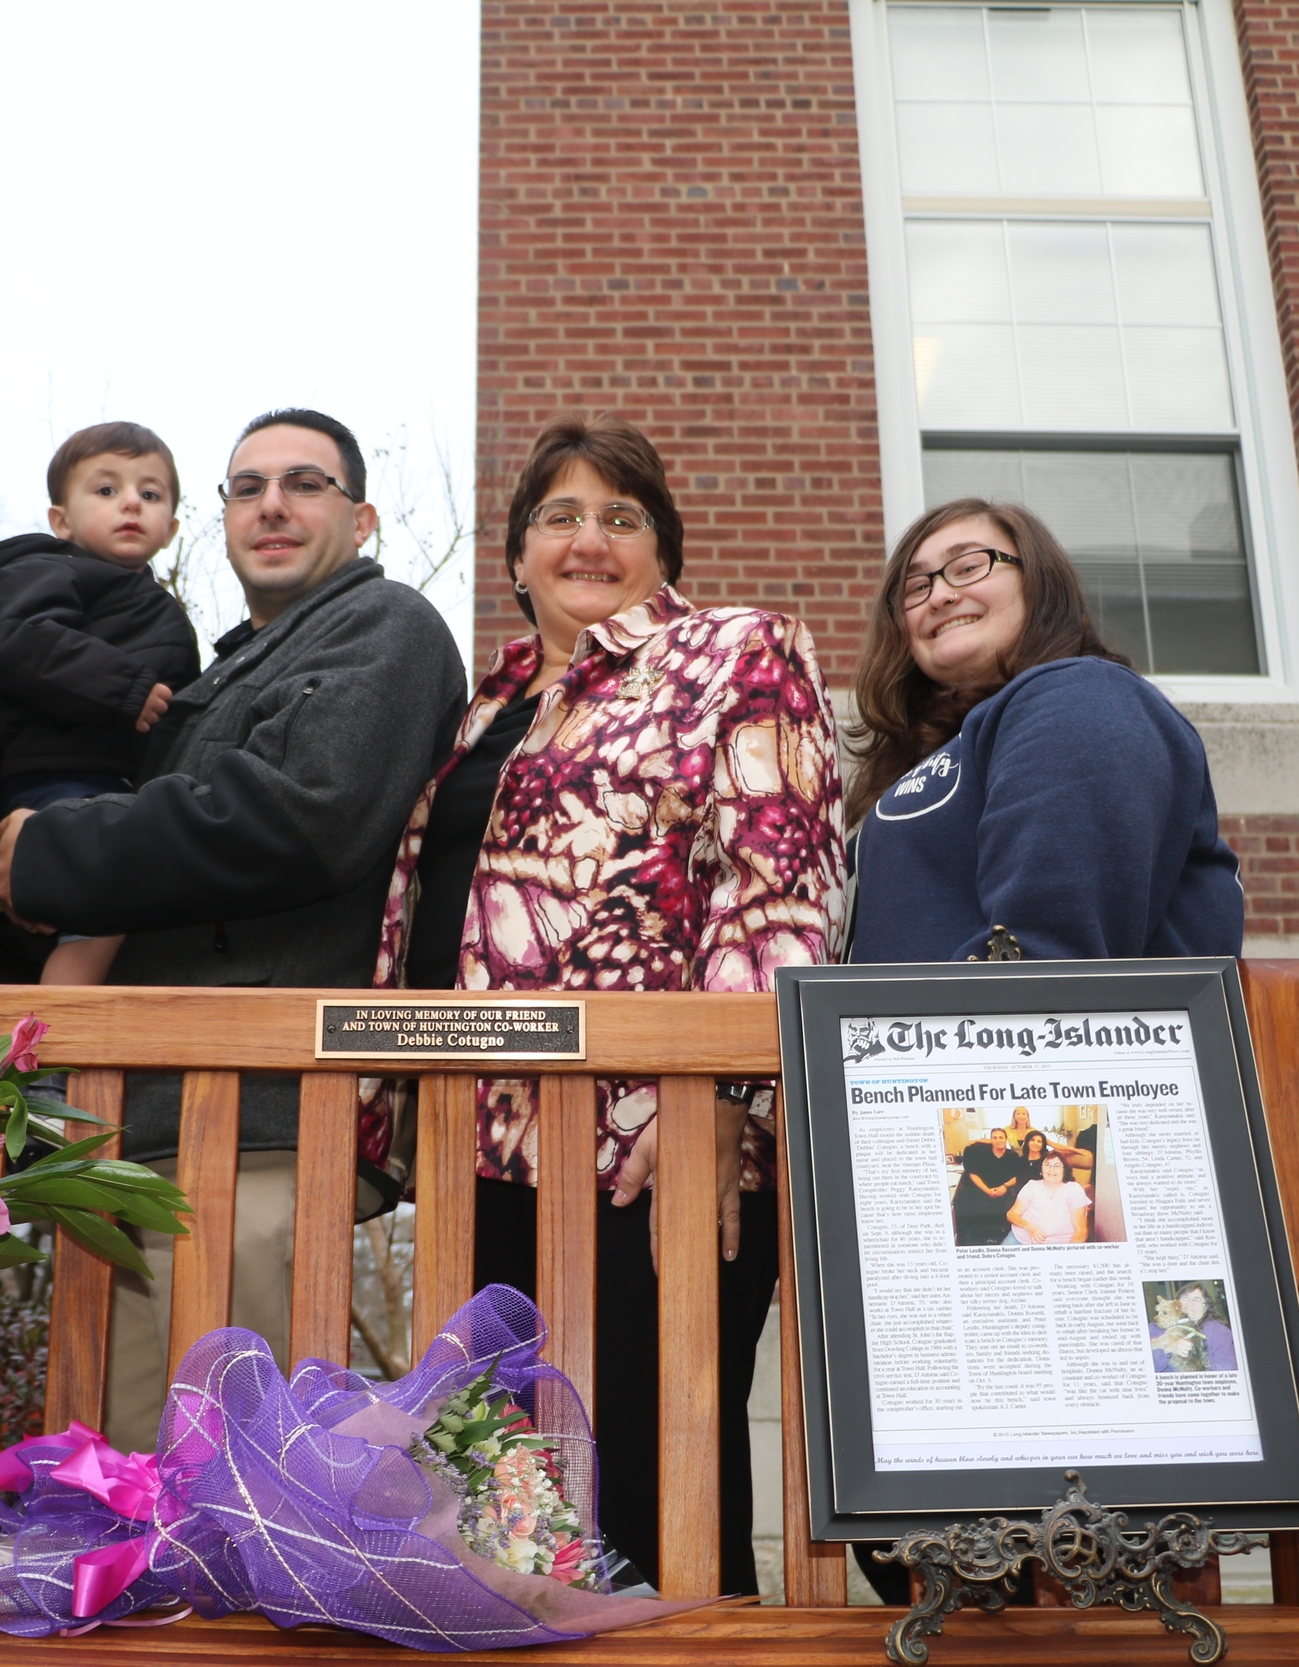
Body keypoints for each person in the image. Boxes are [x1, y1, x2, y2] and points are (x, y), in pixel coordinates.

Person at [364, 414, 848, 1595]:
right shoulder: (485, 708)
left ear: (661, 552)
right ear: (518, 555)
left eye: (621, 517)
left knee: (653, 1489)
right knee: (503, 1503)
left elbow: (780, 882)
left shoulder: (733, 650)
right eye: (560, 516)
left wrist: (727, 1094)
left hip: (648, 1143)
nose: (589, 539)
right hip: (477, 1148)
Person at [0, 408, 468, 1452]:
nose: (271, 505)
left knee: (223, 1471)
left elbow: (300, 816)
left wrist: (47, 851)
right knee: (127, 1461)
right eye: (246, 488)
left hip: (261, 1127)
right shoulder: (222, 671)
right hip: (144, 1127)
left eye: (304, 483)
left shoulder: (382, 625)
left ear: (363, 519)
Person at [843, 498, 1244, 965]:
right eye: (916, 587)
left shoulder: (1080, 696)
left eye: (968, 567)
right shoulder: (939, 755)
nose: (940, 595)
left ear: (1037, 582)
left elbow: (1043, 961)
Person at [0, 421, 201, 985]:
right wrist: (121, 687)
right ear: (61, 520)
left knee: (111, 906)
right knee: (102, 908)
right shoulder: (46, 568)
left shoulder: (149, 603)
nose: (131, 502)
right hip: (58, 774)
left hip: (113, 784)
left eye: (150, 493)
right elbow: (14, 637)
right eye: (106, 489)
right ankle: (57, 1026)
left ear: (171, 528)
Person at [952, 1127, 1025, 1246]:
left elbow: (1017, 1176)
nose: (998, 1140)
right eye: (994, 1138)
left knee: (1007, 1209)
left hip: (1003, 1190)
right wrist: (987, 1190)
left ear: (1006, 1139)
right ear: (991, 1140)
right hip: (982, 1190)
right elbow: (973, 1174)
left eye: (1001, 1137)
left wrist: (1004, 1186)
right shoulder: (981, 1154)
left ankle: (999, 1239)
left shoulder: (1012, 1156)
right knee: (979, 1209)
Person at [1151, 1281, 1239, 1372]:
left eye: (1196, 1299)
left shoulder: (1219, 1331)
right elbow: (1147, 1366)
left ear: (1206, 1307)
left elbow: (1227, 1366)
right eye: (1185, 1297)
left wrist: (1197, 1378)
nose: (1190, 1303)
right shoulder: (1156, 1328)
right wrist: (1168, 1349)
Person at [1007, 1150, 1091, 1245]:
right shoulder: (1031, 1186)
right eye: (1047, 1165)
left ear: (1064, 1170)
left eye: (1057, 1166)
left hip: (1060, 1245)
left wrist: (1068, 1251)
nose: (1051, 1169)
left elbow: (1081, 1230)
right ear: (1041, 1169)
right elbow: (1011, 1214)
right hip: (1021, 1240)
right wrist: (1029, 1227)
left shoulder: (1074, 1190)